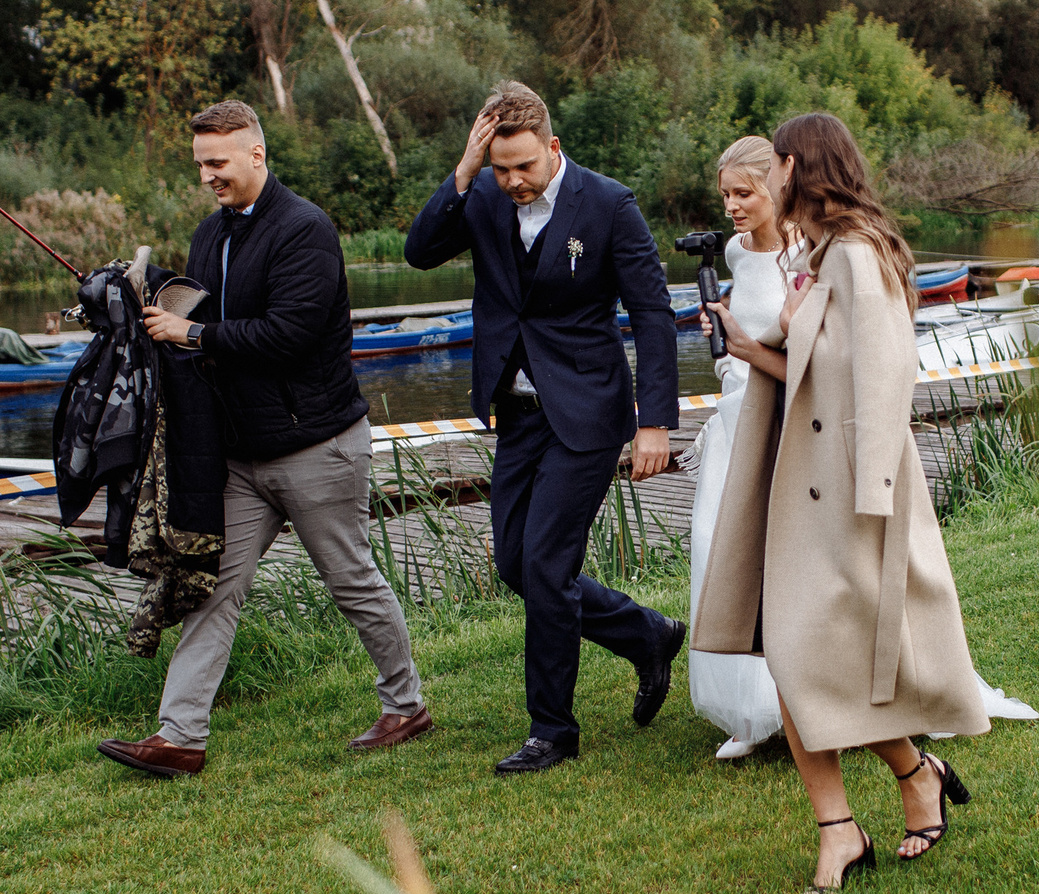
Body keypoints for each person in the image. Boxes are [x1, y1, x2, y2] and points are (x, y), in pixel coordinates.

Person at [695, 111, 988, 894]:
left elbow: (886, 380)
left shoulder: (858, 255)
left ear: (792, 167)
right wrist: (748, 342)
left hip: (848, 491)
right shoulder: (823, 254)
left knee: (815, 657)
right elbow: (812, 374)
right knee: (796, 655)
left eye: (773, 167)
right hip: (800, 479)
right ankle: (852, 818)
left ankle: (904, 780)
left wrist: (873, 500)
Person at [95, 100, 426, 778]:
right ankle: (180, 736)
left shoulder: (306, 230)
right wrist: (140, 307)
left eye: (218, 163)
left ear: (256, 155)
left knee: (352, 581)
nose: (208, 177)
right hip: (241, 458)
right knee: (210, 587)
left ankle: (406, 704)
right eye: (200, 165)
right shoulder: (208, 235)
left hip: (317, 446)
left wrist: (193, 333)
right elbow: (200, 325)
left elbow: (289, 336)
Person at [403, 82, 687, 775]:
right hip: (517, 412)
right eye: (501, 169)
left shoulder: (609, 205)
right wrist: (464, 174)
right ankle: (647, 633)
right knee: (515, 564)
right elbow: (418, 251)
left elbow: (653, 316)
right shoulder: (485, 195)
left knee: (547, 566)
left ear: (553, 148)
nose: (514, 182)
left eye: (524, 167)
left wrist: (655, 423)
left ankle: (552, 730)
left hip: (587, 411)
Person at [683, 136, 794, 759]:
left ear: (776, 186)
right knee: (715, 545)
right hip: (733, 414)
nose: (731, 205)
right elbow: (747, 311)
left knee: (779, 558)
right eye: (725, 193)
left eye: (744, 193)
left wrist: (749, 343)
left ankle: (802, 697)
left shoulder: (805, 250)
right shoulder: (733, 249)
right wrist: (720, 317)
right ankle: (748, 711)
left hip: (781, 417)